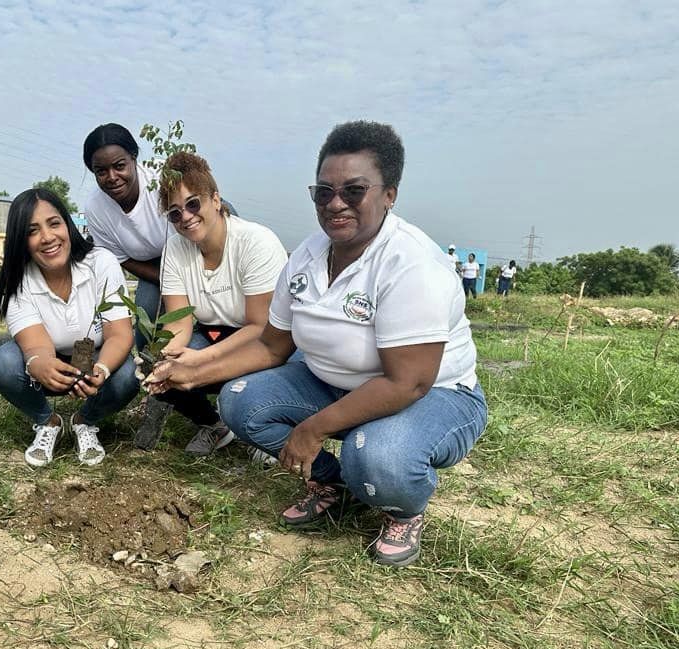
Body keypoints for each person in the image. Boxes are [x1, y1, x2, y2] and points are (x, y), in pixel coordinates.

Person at [148, 120, 487, 568]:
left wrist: (313, 429)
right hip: (333, 384)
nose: (336, 204)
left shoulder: (412, 265)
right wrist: (191, 373)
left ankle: (403, 509)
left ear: (390, 194)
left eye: (354, 191)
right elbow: (271, 347)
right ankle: (333, 483)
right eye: (323, 192)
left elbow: (406, 383)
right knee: (240, 401)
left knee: (377, 455)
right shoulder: (306, 257)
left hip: (432, 394)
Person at [0, 188, 138, 468]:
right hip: (50, 357)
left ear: (68, 225)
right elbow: (35, 344)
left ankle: (85, 420)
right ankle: (48, 421)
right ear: (21, 240)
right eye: (33, 230)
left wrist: (102, 370)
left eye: (54, 223)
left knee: (129, 373)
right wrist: (39, 363)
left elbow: (119, 333)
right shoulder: (18, 280)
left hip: (93, 355)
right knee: (4, 362)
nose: (47, 237)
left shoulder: (100, 263)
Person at [154, 151, 287, 455]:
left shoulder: (255, 242)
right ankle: (215, 426)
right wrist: (165, 355)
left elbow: (260, 325)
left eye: (192, 204)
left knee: (244, 383)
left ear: (215, 199)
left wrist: (201, 360)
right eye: (175, 213)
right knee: (164, 370)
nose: (185, 217)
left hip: (265, 340)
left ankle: (263, 426)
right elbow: (179, 321)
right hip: (214, 333)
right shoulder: (175, 250)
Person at [82, 123, 167, 349]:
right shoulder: (96, 209)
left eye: (120, 166)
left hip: (191, 250)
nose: (112, 177)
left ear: (134, 157)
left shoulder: (162, 178)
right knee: (147, 311)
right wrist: (168, 280)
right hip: (152, 265)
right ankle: (144, 367)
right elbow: (120, 258)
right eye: (101, 171)